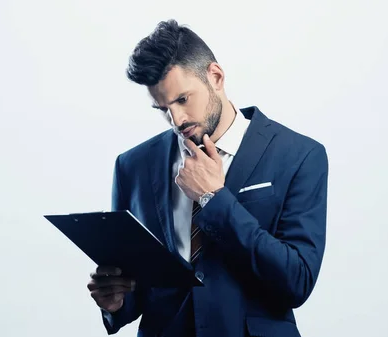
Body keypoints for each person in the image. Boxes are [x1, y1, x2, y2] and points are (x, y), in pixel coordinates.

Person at [86, 19, 328, 337]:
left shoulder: (299, 155)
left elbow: (297, 281)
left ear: (215, 76)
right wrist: (115, 301)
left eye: (183, 99)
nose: (177, 119)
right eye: (163, 108)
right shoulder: (133, 165)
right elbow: (140, 284)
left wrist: (214, 198)